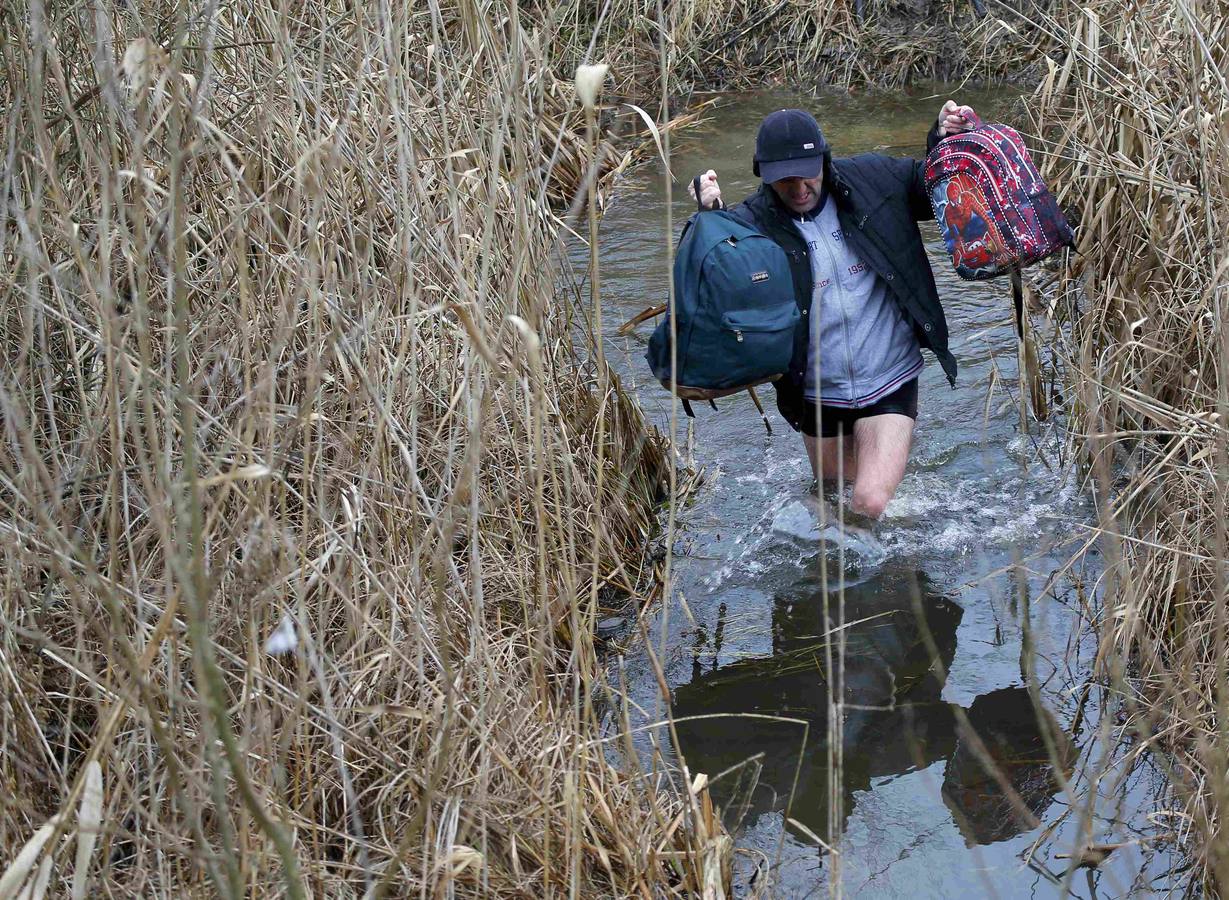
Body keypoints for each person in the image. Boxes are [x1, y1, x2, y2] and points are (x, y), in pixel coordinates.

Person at [691, 101, 977, 519]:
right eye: (783, 180)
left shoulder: (874, 180)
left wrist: (943, 139)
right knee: (830, 505)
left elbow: (931, 187)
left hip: (889, 373)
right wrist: (709, 218)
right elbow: (713, 283)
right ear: (763, 176)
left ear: (824, 159)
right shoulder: (750, 224)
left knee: (868, 503)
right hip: (816, 392)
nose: (798, 187)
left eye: (807, 172)